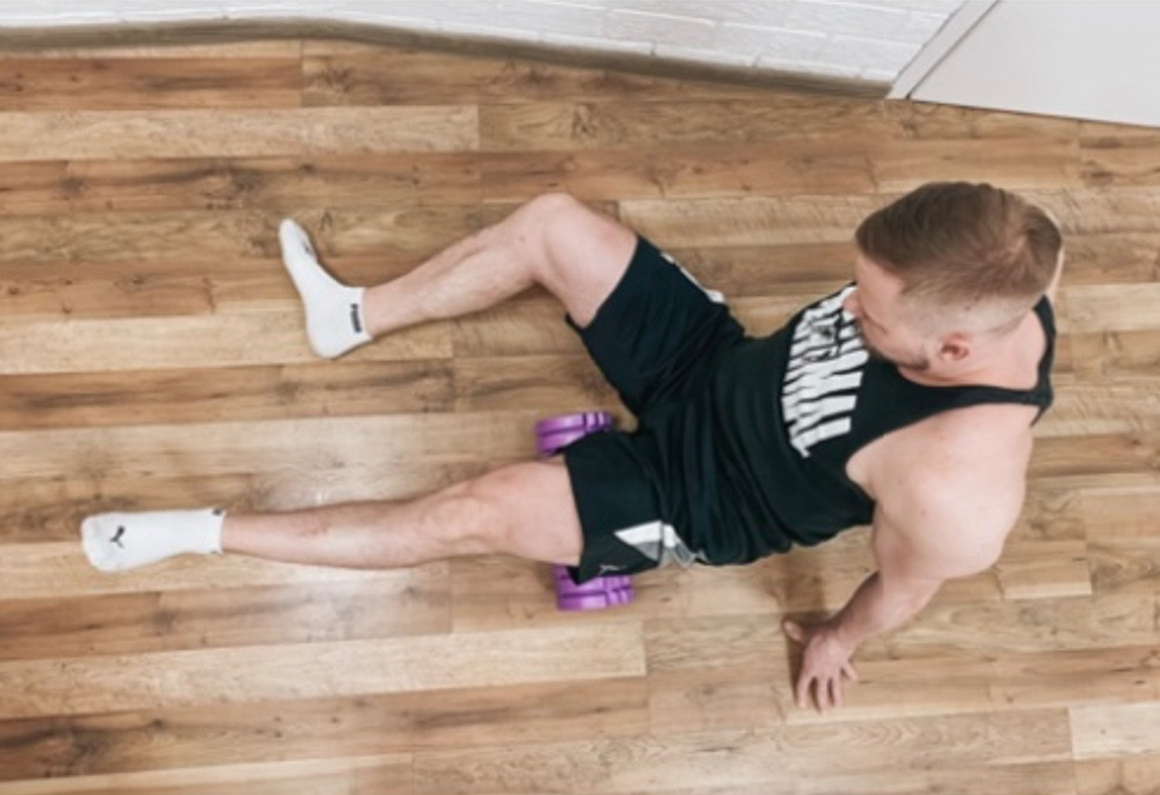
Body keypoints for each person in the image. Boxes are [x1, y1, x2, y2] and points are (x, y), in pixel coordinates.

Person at [81, 183, 1063, 712]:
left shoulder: (957, 489)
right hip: (713, 366)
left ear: (955, 349)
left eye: (870, 313)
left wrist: (838, 637)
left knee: (472, 511)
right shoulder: (1006, 261)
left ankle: (198, 531)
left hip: (699, 496)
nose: (847, 309)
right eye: (855, 288)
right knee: (553, 223)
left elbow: (906, 587)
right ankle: (349, 315)